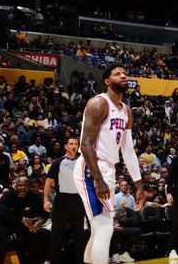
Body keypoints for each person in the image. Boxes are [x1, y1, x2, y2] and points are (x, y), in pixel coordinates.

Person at [74, 63, 144, 264]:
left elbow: (128, 151)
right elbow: (85, 145)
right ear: (107, 81)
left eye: (124, 73)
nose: (123, 75)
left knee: (100, 229)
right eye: (117, 74)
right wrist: (98, 179)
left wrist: (139, 186)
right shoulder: (99, 103)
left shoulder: (126, 111)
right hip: (91, 167)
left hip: (108, 169)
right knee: (105, 227)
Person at [44, 136, 85, 264]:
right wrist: (46, 199)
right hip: (62, 199)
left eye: (76, 144)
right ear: (66, 146)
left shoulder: (82, 162)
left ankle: (80, 260)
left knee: (79, 233)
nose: (74, 146)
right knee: (57, 232)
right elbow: (48, 182)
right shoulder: (58, 162)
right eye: (71, 144)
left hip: (78, 200)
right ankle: (52, 260)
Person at [0, 177, 49, 263]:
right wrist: (22, 219)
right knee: (4, 236)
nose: (23, 188)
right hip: (4, 222)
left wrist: (42, 221)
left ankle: (37, 260)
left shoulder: (33, 196)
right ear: (15, 186)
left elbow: (45, 212)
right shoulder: (8, 195)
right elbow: (1, 214)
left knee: (44, 233)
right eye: (20, 185)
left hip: (23, 224)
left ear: (29, 187)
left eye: (25, 186)